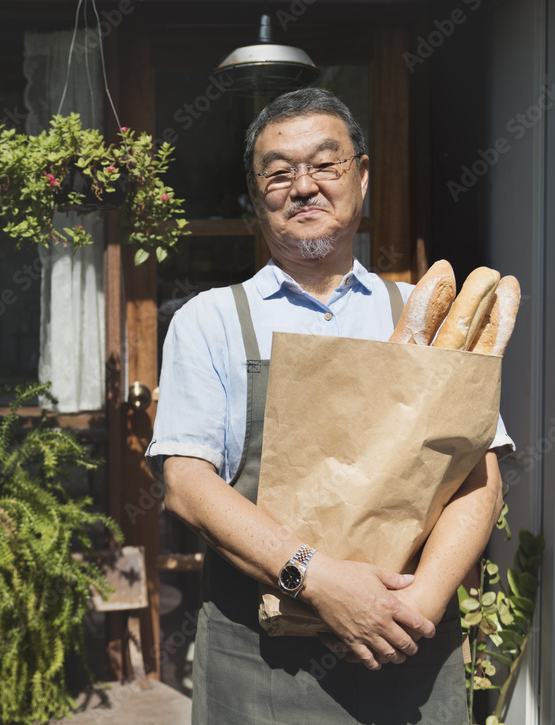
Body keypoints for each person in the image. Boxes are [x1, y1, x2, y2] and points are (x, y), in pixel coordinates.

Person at [146, 88, 514, 724]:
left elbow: (478, 479)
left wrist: (415, 608)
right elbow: (186, 483)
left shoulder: (423, 316)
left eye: (326, 164)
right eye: (279, 171)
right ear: (256, 195)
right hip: (259, 667)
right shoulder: (210, 320)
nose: (304, 186)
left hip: (408, 656)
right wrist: (317, 580)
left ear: (363, 177)